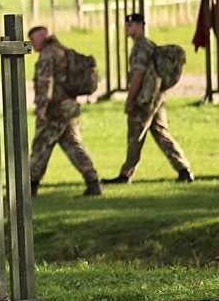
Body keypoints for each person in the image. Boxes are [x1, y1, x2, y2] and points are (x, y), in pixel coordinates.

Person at [103, 13, 194, 184]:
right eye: (127, 25)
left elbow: (138, 75)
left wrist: (130, 100)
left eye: (132, 25)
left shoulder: (140, 47)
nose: (128, 28)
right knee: (160, 132)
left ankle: (125, 175)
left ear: (141, 26)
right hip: (157, 96)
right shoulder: (148, 45)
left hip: (145, 98)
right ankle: (183, 169)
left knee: (135, 135)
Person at [27, 26, 103, 197]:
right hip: (69, 106)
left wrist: (41, 108)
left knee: (41, 146)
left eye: (33, 39)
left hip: (55, 110)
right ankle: (93, 182)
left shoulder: (47, 55)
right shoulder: (63, 50)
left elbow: (44, 83)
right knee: (73, 146)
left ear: (43, 36)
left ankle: (30, 187)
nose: (32, 44)